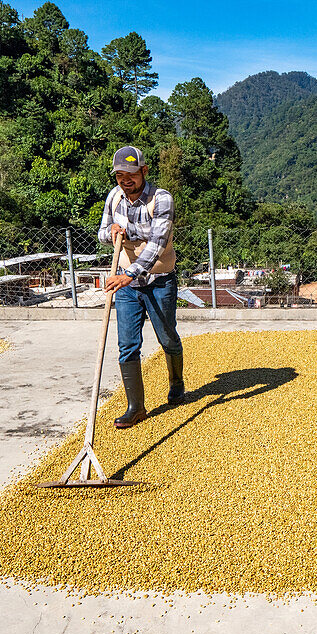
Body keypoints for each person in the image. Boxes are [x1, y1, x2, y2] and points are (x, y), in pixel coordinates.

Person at [99, 145, 185, 428]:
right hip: (126, 283)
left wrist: (130, 274)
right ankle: (135, 407)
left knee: (167, 337)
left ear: (144, 172)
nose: (125, 181)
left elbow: (157, 245)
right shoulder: (114, 198)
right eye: (120, 175)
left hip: (158, 281)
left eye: (131, 174)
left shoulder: (161, 200)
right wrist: (110, 232)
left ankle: (176, 382)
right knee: (127, 345)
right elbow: (102, 233)